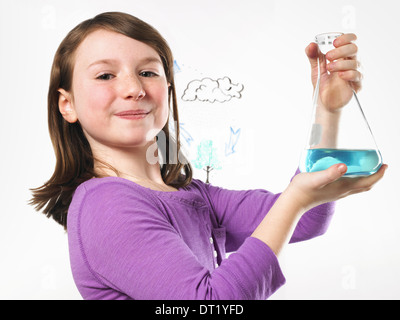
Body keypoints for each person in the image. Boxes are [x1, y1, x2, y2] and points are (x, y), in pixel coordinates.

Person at [30, 12, 387, 300]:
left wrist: (326, 109)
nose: (134, 89)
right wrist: (294, 201)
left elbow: (307, 219)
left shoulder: (192, 195)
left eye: (148, 72)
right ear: (67, 104)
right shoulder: (105, 204)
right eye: (106, 75)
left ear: (167, 89)